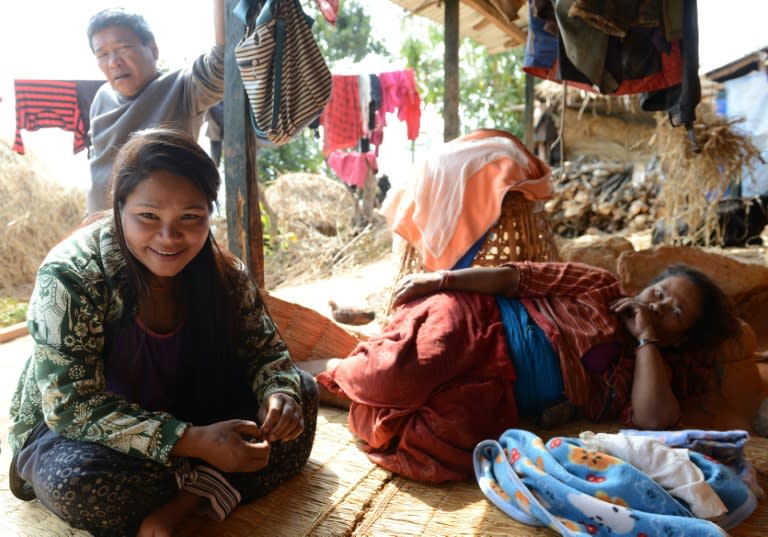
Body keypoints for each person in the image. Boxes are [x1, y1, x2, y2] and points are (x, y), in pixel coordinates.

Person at [8, 128, 318, 537]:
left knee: (304, 394)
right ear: (119, 207)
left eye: (190, 217)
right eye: (148, 217)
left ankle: (185, 500)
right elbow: (71, 407)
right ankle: (211, 478)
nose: (169, 237)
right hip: (90, 432)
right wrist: (192, 440)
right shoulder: (71, 277)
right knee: (79, 483)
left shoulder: (224, 274)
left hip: (186, 409)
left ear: (209, 212)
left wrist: (278, 395)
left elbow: (265, 353)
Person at [302, 261, 740, 483]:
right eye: (659, 292)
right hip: (478, 323)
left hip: (499, 392)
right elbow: (516, 279)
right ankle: (336, 370)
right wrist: (441, 281)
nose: (657, 305)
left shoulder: (645, 371)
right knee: (405, 373)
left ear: (681, 338)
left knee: (449, 448)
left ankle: (351, 390)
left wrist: (645, 338)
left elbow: (653, 419)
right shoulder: (600, 286)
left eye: (674, 311)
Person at [86, 1, 225, 215]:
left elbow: (222, 64)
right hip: (100, 230)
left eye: (122, 48)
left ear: (152, 49)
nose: (113, 62)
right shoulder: (101, 98)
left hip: (155, 234)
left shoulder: (182, 87)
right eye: (102, 54)